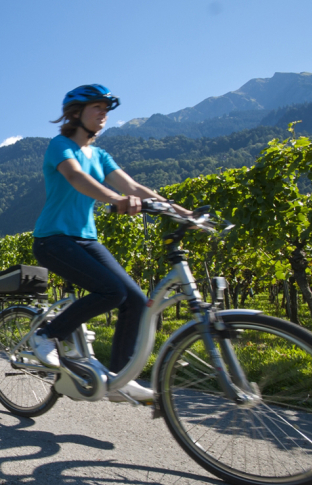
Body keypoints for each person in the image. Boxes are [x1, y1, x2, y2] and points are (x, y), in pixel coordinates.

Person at [30, 84, 190, 403]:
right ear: (76, 114)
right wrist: (115, 199)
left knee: (136, 300)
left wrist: (182, 212)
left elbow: (132, 185)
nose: (104, 114)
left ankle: (118, 379)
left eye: (106, 109)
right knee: (111, 291)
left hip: (86, 239)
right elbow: (76, 177)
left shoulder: (100, 155)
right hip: (52, 238)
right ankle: (46, 334)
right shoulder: (60, 145)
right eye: (97, 108)